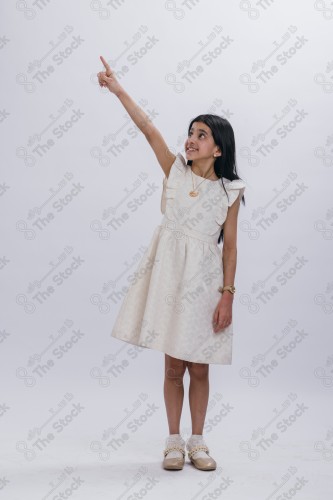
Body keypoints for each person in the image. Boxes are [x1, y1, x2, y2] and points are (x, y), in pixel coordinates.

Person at [97, 55, 246, 471]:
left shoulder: (230, 191)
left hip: (204, 282)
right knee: (172, 365)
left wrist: (227, 296)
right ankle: (173, 440)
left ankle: (199, 440)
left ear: (218, 147)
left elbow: (230, 249)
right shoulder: (175, 172)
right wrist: (117, 88)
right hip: (168, 276)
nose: (190, 140)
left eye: (201, 135)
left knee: (199, 365)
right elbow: (147, 129)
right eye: (190, 133)